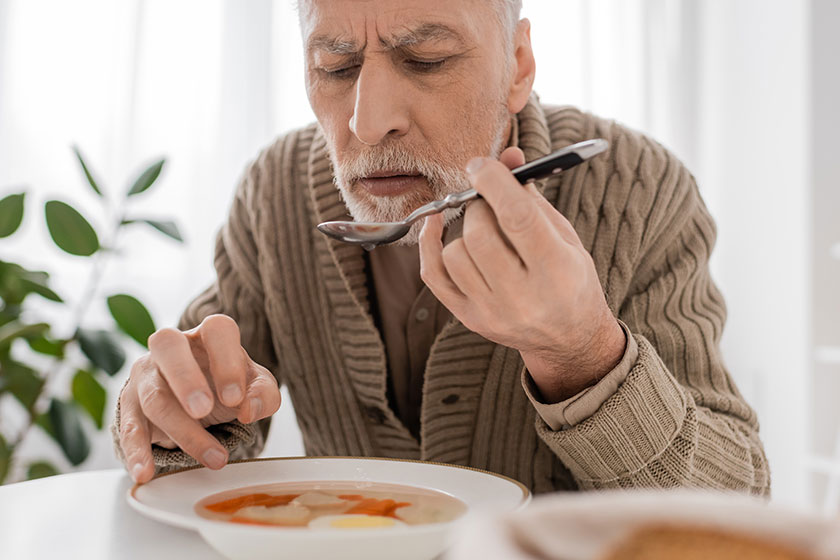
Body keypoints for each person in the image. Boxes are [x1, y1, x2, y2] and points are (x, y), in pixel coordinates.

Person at [112, 0, 770, 495]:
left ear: (518, 66)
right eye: (335, 67)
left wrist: (583, 355)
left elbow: (734, 511)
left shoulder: (639, 189)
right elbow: (188, 436)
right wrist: (173, 414)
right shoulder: (273, 190)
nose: (369, 122)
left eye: (426, 59)